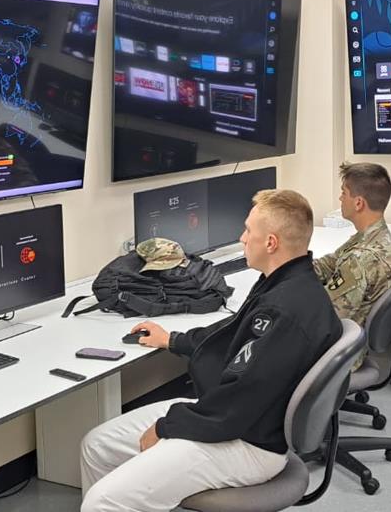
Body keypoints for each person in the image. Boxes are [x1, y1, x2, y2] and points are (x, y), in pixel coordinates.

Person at [79, 189, 341, 512]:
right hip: (238, 420)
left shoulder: (282, 309)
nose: (242, 237)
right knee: (96, 446)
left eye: (248, 231)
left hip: (247, 443)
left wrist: (166, 427)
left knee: (100, 501)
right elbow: (231, 334)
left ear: (271, 243)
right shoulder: (289, 283)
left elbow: (233, 405)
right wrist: (173, 339)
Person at [313, 163, 391, 367]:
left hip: (338, 354)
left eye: (343, 193)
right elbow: (330, 264)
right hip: (351, 341)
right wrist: (290, 267)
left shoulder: (360, 258)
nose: (340, 199)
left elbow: (326, 318)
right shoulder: (377, 237)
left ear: (358, 203)